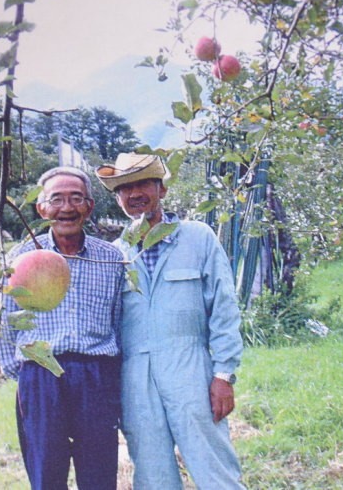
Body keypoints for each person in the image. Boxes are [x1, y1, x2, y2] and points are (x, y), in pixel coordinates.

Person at [95, 153, 246, 489]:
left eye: (142, 183)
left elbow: (224, 308)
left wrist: (223, 374)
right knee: (152, 475)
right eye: (124, 188)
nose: (134, 194)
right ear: (117, 198)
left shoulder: (198, 237)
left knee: (215, 468)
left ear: (161, 189)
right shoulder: (112, 256)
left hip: (192, 370)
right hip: (135, 379)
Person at [0, 166, 126, 490]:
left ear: (90, 206)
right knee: (46, 473)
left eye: (76, 199)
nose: (66, 208)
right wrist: (28, 377)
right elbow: (7, 323)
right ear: (41, 208)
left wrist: (109, 374)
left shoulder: (110, 259)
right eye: (57, 199)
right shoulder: (22, 258)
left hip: (95, 377)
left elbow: (119, 321)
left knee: (99, 473)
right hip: (41, 375)